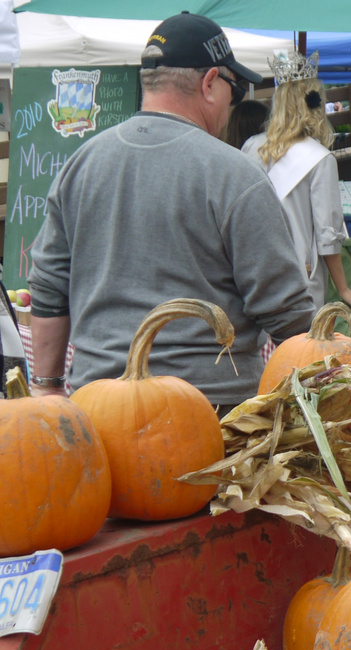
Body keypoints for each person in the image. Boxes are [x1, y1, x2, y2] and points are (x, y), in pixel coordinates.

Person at [26, 12, 312, 408]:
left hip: (97, 406)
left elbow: (47, 290)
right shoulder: (234, 174)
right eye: (237, 90)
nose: (234, 103)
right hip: (212, 411)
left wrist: (47, 385)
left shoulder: (81, 163)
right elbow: (287, 313)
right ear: (211, 82)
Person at [242, 54, 351, 315]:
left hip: (254, 268)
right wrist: (343, 289)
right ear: (314, 105)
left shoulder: (251, 147)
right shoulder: (320, 158)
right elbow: (327, 231)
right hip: (300, 270)